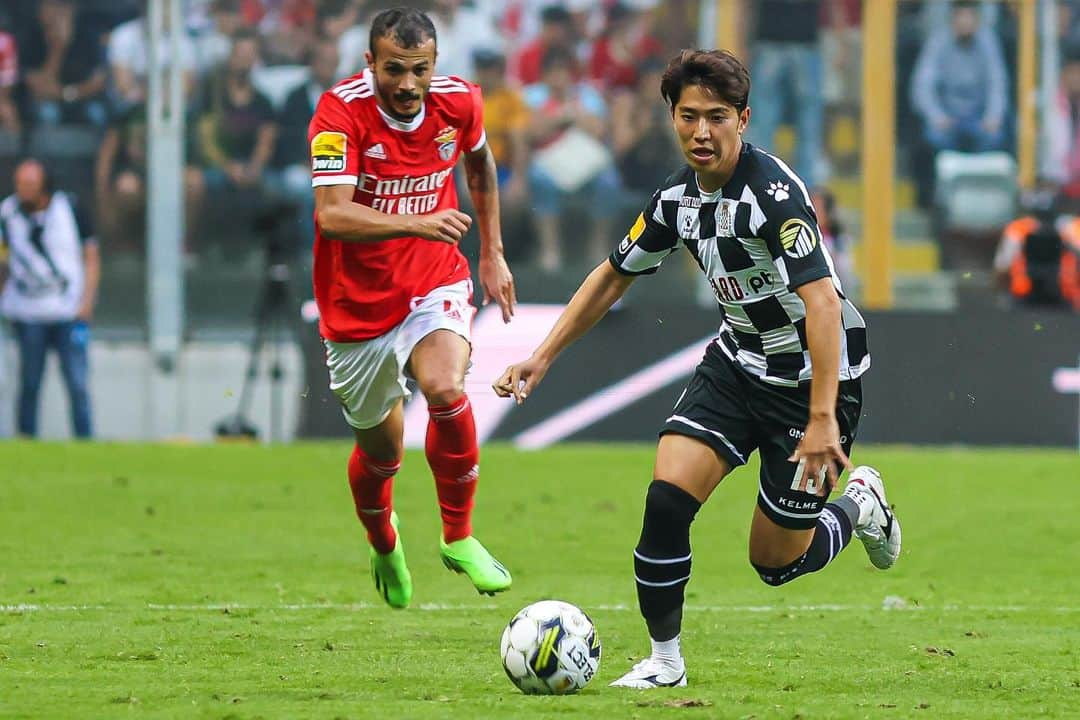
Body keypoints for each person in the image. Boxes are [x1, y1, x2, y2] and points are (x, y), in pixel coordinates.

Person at [494, 49, 901, 688]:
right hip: (737, 365)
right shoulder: (675, 198)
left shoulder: (774, 194)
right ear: (672, 118)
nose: (701, 132)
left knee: (775, 563)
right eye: (688, 117)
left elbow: (822, 304)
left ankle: (861, 506)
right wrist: (541, 356)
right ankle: (664, 663)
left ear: (743, 119)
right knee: (666, 500)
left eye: (717, 117)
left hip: (811, 384)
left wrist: (823, 418)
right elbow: (612, 276)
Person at [309, 7, 516, 609]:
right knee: (384, 453)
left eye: (418, 70)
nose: (406, 84)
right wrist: (419, 221)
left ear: (434, 66)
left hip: (434, 282)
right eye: (393, 69)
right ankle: (383, 538)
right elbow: (332, 213)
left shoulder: (460, 103)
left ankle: (459, 536)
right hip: (356, 307)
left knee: (445, 388)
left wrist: (492, 252)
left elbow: (480, 163)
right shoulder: (339, 112)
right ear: (370, 62)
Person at [0, 159, 99, 439]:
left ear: (44, 186)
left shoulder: (71, 209)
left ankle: (85, 442)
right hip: (27, 313)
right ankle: (26, 440)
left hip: (69, 313)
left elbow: (91, 258)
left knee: (78, 384)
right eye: (19, 184)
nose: (23, 190)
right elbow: (3, 261)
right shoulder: (6, 214)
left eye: (29, 184)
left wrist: (87, 302)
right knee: (29, 383)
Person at [910, 0, 1008, 153]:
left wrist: (992, 117)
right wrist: (937, 116)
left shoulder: (988, 41)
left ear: (977, 21)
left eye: (970, 17)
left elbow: (997, 84)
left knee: (995, 136)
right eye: (961, 17)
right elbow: (922, 86)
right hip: (948, 115)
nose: (965, 22)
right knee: (935, 137)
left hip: (979, 116)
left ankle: (978, 175)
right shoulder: (938, 42)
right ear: (952, 20)